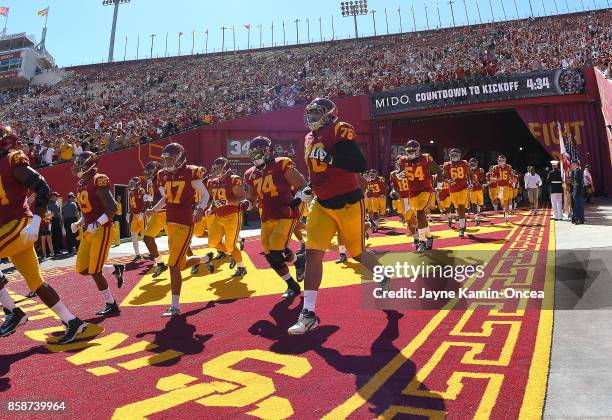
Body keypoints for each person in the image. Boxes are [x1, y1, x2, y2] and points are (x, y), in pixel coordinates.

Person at [288, 97, 389, 335]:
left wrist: (331, 158)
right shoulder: (309, 138)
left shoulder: (338, 129)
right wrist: (304, 193)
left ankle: (382, 274)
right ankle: (308, 313)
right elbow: (316, 172)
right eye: (310, 113)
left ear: (330, 114)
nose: (312, 118)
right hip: (321, 204)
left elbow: (358, 162)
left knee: (357, 254)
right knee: (314, 253)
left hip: (348, 203)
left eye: (317, 113)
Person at [0, 124, 86, 343]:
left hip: (19, 225)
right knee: (36, 283)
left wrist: (37, 220)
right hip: (11, 228)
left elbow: (43, 187)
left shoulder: (11, 160)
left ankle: (13, 312)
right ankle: (72, 321)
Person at [149, 143, 213, 317]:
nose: (168, 162)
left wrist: (200, 209)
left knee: (173, 265)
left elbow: (205, 195)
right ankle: (205, 259)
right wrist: (154, 209)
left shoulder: (190, 172)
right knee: (181, 264)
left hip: (185, 223)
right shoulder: (162, 174)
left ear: (180, 158)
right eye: (166, 159)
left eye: (171, 158)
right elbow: (166, 197)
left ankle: (175, 306)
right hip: (170, 222)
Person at [243, 136, 307, 298]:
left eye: (259, 152)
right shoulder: (250, 174)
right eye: (253, 153)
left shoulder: (281, 163)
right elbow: (251, 199)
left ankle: (297, 262)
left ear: (269, 151)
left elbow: (301, 184)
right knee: (269, 254)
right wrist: (246, 205)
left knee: (277, 250)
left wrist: (297, 198)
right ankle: (292, 281)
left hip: (287, 211)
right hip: (267, 215)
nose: (256, 156)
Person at [71, 151, 126, 314]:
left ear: (91, 165)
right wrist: (80, 222)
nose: (78, 166)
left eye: (82, 163)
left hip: (103, 229)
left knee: (95, 270)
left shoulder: (98, 180)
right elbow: (88, 210)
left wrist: (96, 223)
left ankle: (111, 304)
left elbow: (112, 208)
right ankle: (114, 269)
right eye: (78, 163)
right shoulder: (81, 183)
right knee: (82, 268)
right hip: (89, 230)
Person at [206, 157, 247, 277]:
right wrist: (210, 208)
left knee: (230, 245)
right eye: (216, 167)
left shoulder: (233, 179)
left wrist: (227, 202)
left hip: (232, 215)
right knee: (212, 242)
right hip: (218, 216)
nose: (217, 170)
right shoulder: (212, 182)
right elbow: (215, 200)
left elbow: (241, 198)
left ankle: (241, 267)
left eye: (220, 168)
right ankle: (232, 254)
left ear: (227, 169)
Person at [399, 140, 443, 253]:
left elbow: (438, 170)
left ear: (418, 151)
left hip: (425, 190)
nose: (410, 153)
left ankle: (421, 241)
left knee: (419, 213)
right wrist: (400, 175)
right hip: (412, 192)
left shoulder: (425, 158)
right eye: (408, 151)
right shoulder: (403, 160)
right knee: (421, 217)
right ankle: (429, 236)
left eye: (413, 150)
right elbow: (400, 172)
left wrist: (439, 184)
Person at [142, 161, 169, 278]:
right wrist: (147, 199)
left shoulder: (162, 178)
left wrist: (152, 208)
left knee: (177, 243)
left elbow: (165, 197)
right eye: (147, 172)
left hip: (167, 213)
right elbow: (153, 197)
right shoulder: (150, 182)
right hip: (156, 214)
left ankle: (200, 260)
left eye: (150, 172)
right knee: (147, 237)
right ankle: (160, 263)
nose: (148, 174)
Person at [443, 148, 472, 238]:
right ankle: (463, 222)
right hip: (453, 189)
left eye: (456, 155)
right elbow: (444, 177)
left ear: (459, 156)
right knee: (457, 208)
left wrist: (470, 183)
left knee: (461, 207)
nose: (455, 157)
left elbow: (470, 174)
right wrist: (448, 181)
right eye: (453, 155)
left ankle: (462, 228)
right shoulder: (446, 165)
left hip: (463, 188)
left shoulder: (464, 163)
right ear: (450, 156)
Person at [490, 155, 513, 223]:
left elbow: (511, 176)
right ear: (498, 161)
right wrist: (496, 179)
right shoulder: (495, 167)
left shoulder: (508, 167)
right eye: (500, 160)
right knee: (502, 201)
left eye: (503, 160)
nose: (502, 162)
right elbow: (491, 179)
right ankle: (504, 210)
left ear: (505, 161)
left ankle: (506, 216)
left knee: (506, 201)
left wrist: (513, 180)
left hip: (506, 186)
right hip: (499, 187)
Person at [127, 176, 146, 261]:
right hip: (134, 215)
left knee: (145, 236)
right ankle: (137, 254)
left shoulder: (141, 190)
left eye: (133, 183)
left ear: (137, 183)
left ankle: (152, 252)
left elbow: (146, 202)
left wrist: (142, 212)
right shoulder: (131, 192)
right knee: (133, 235)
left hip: (141, 215)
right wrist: (129, 212)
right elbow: (131, 204)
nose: (131, 184)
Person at [468, 158, 485, 226]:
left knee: (480, 204)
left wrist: (480, 182)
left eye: (474, 162)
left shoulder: (480, 170)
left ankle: (478, 214)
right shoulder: (468, 170)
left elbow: (483, 179)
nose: (473, 163)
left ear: (477, 162)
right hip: (472, 190)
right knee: (473, 204)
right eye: (471, 162)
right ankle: (476, 218)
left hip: (479, 189)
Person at [569, 160, 585, 224]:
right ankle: (581, 219)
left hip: (577, 191)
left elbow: (577, 183)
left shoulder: (577, 171)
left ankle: (579, 219)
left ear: (575, 164)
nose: (571, 165)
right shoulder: (577, 171)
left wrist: (572, 182)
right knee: (579, 206)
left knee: (578, 206)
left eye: (572, 164)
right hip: (578, 191)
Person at [48, 192, 63, 256]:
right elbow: (46, 213)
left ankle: (57, 250)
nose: (57, 197)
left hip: (57, 221)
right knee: (51, 236)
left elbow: (59, 213)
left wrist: (61, 221)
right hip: (51, 221)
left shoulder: (57, 203)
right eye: (56, 196)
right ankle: (51, 250)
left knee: (58, 235)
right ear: (52, 196)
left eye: (57, 196)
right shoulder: (48, 203)